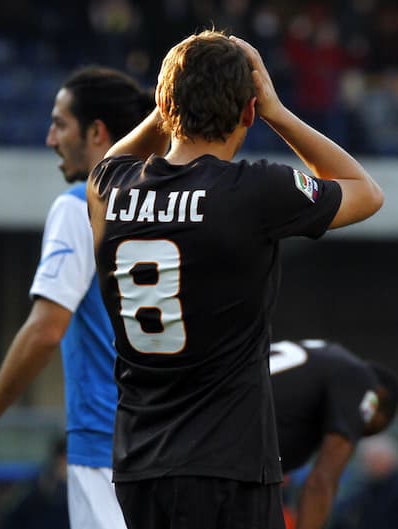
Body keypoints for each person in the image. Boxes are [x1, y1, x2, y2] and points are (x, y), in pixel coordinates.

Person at [86, 30, 383, 529]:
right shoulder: (254, 191)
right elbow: (366, 192)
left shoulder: (108, 189)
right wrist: (277, 110)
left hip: (138, 463)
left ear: (164, 102)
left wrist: (168, 105)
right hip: (227, 465)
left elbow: (114, 158)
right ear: (248, 111)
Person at [0, 66, 156, 529]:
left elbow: (45, 329)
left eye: (60, 124)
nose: (49, 138)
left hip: (105, 447)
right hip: (174, 448)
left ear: (97, 133)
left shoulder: (79, 205)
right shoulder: (175, 205)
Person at [269, 339, 398, 529]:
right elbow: (322, 481)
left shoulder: (322, 359)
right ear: (377, 400)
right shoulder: (363, 384)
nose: (356, 434)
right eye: (365, 430)